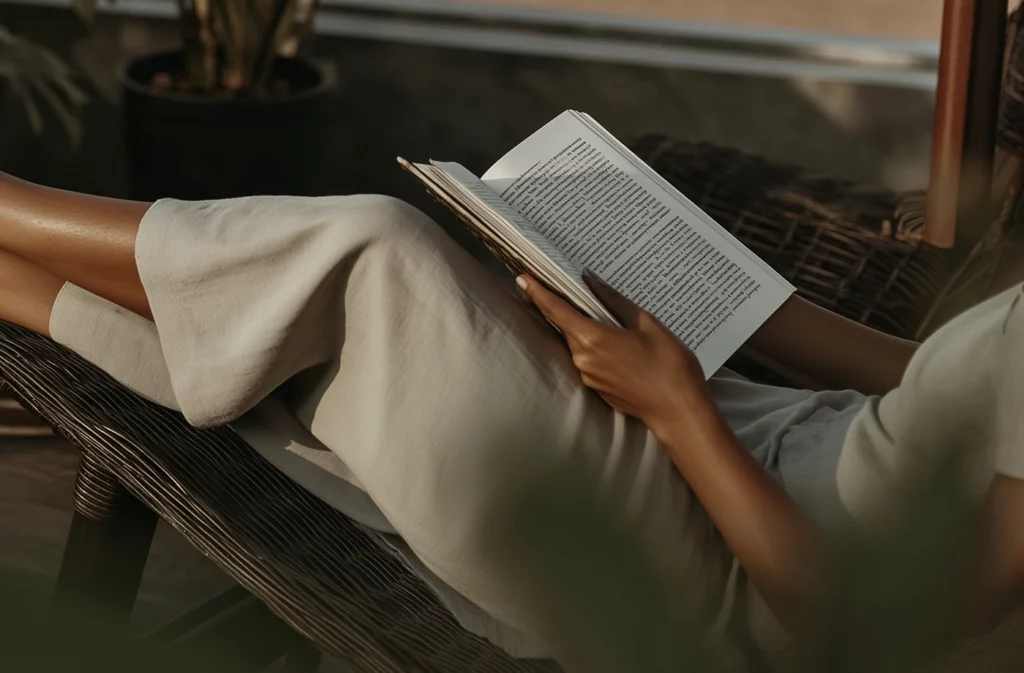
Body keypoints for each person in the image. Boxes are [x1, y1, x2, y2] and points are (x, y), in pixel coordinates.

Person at [0, 170, 1021, 659]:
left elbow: (861, 624)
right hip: (782, 433)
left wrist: (674, 408)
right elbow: (936, 375)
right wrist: (718, 293)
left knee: (378, 251)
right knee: (420, 307)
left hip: (731, 587)